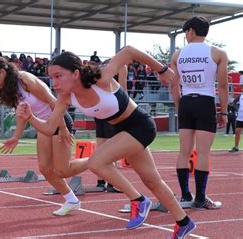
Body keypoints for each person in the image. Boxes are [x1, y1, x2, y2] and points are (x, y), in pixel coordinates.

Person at [16, 48, 195, 238]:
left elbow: (128, 52)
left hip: (140, 125)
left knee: (96, 162)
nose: (54, 83)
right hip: (121, 131)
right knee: (152, 180)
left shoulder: (100, 78)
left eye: (58, 76)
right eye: (51, 77)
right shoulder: (65, 97)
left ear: (76, 73)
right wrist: (30, 117)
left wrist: (161, 69)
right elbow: (51, 128)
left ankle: (139, 200)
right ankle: (183, 222)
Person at [0, 56, 80, 216]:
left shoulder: (25, 79)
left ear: (2, 71)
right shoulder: (9, 89)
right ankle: (72, 200)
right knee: (45, 169)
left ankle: (95, 161)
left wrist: (62, 127)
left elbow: (53, 100)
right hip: (42, 126)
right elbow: (23, 114)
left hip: (58, 120)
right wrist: (16, 137)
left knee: (62, 170)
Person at [169, 16, 228, 209]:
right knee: (203, 153)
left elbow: (174, 84)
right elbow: (223, 85)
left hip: (186, 101)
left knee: (183, 151)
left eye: (186, 32)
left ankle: (186, 196)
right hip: (205, 102)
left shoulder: (178, 55)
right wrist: (224, 111)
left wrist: (179, 105)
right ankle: (201, 198)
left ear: (190, 31)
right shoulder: (218, 53)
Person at [90, 59, 127, 192]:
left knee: (101, 145)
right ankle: (112, 183)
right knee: (111, 148)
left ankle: (100, 182)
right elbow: (123, 92)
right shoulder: (119, 67)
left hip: (99, 109)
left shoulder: (103, 67)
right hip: (111, 109)